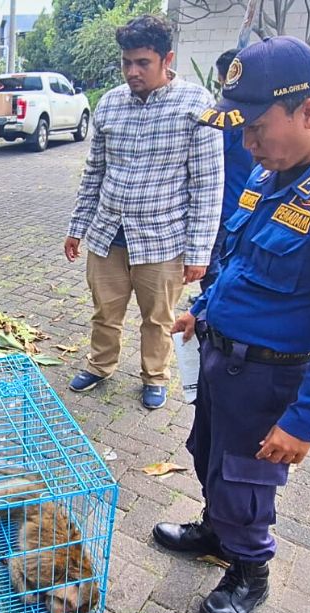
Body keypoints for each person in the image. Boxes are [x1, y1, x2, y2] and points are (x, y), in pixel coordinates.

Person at [151, 36, 310, 613]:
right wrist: (204, 308)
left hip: (270, 377)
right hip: (222, 359)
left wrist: (304, 421)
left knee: (246, 479)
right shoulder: (276, 175)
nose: (248, 144)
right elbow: (241, 262)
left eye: (258, 128)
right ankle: (218, 530)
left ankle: (249, 569)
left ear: (308, 113)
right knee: (211, 457)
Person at [64, 14, 224, 411]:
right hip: (108, 234)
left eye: (142, 63)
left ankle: (154, 376)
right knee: (105, 311)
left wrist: (199, 251)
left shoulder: (197, 105)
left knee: (158, 318)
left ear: (166, 58)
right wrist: (77, 227)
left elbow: (207, 184)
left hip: (163, 238)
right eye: (126, 63)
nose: (132, 72)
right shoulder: (110, 105)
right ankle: (100, 365)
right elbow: (94, 173)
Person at [200, 48, 256, 293]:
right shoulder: (248, 114)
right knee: (226, 259)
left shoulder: (231, 120)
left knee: (211, 264)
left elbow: (207, 157)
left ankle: (212, 306)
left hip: (224, 205)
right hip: (240, 203)